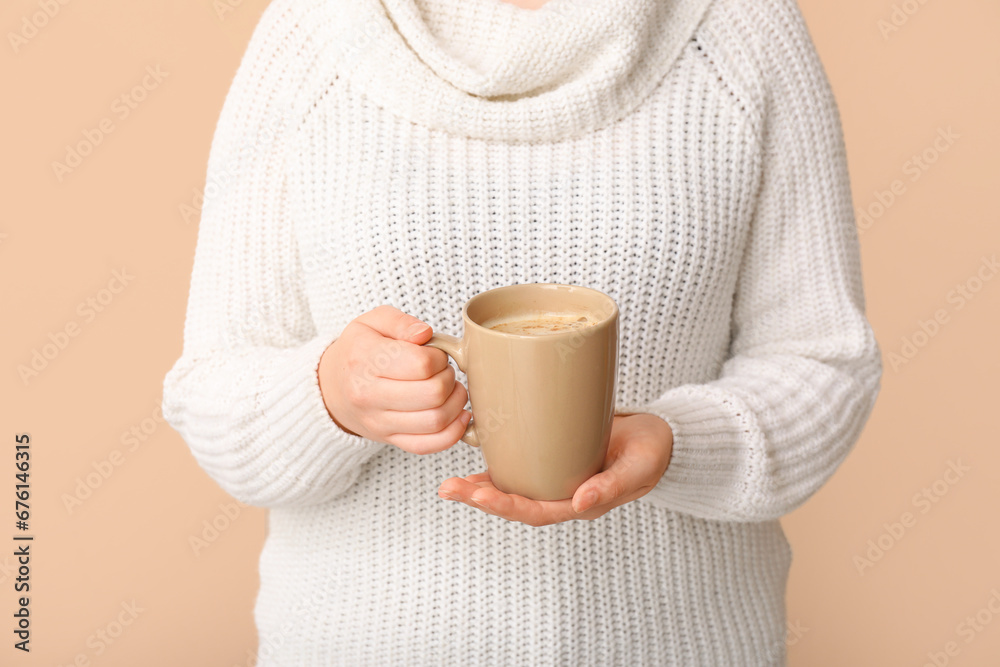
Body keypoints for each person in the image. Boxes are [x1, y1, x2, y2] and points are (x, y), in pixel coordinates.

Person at [162, 0, 882, 663]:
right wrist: (330, 395)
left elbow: (825, 362)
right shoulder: (312, 30)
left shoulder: (742, 27)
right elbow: (214, 389)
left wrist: (677, 441)